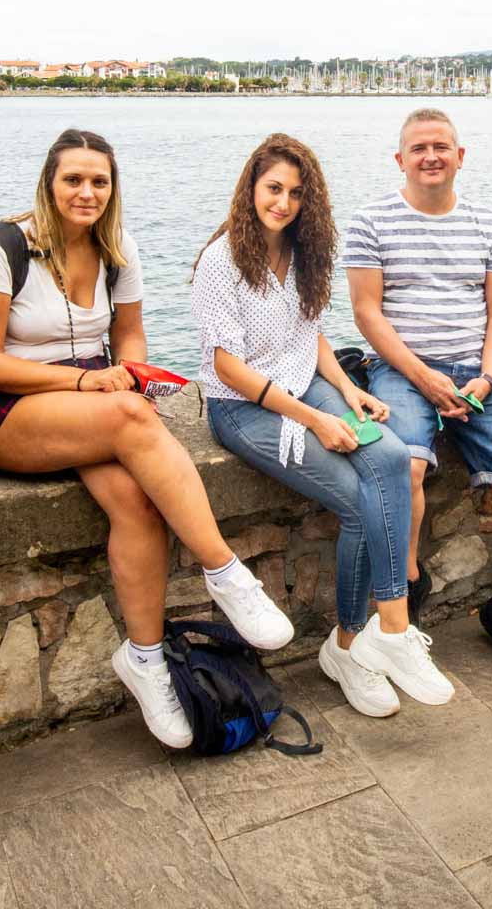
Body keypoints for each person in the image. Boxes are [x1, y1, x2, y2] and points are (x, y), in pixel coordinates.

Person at [0, 127, 294, 750]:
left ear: (113, 188)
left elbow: (130, 337)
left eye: (99, 181)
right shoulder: (1, 250)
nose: (86, 192)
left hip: (85, 404)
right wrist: (88, 387)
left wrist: (130, 374)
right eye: (73, 179)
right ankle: (227, 573)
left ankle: (145, 658)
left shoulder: (117, 249)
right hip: (4, 407)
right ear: (48, 183)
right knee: (134, 421)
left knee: (137, 503)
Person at [192, 134, 452, 716]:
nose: (283, 203)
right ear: (251, 189)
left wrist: (349, 390)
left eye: (295, 194)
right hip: (244, 405)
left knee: (388, 456)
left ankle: (378, 636)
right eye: (273, 189)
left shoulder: (302, 253)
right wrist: (315, 419)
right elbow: (224, 367)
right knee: (359, 502)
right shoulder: (221, 260)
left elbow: (309, 336)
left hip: (303, 380)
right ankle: (357, 643)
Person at [344, 108, 492, 684]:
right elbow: (367, 313)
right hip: (402, 371)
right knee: (404, 468)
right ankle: (407, 583)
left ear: (461, 156)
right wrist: (425, 378)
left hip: (478, 374)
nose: (430, 156)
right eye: (418, 147)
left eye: (441, 146)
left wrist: (485, 376)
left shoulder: (487, 223)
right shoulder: (372, 220)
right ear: (400, 159)